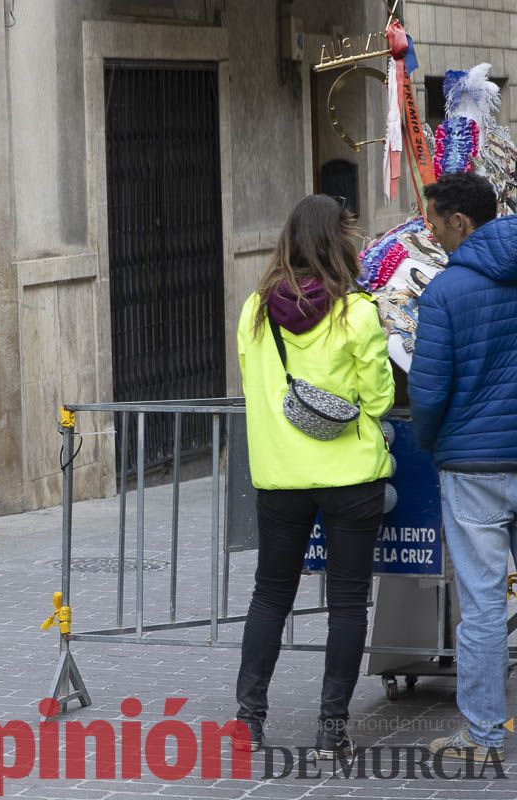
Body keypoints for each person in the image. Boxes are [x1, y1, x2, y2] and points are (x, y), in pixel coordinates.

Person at [234, 195, 394, 757]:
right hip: (351, 474)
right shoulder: (357, 312)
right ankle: (331, 726)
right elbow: (377, 397)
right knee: (348, 603)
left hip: (279, 476)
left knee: (269, 595)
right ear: (340, 241)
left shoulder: (253, 311)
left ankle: (249, 719)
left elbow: (256, 393)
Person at [410, 172, 517, 762]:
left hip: (473, 462)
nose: (432, 233)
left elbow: (428, 393)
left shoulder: (446, 294)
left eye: (434, 222)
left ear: (461, 222)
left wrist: (433, 441)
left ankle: (480, 734)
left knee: (480, 604)